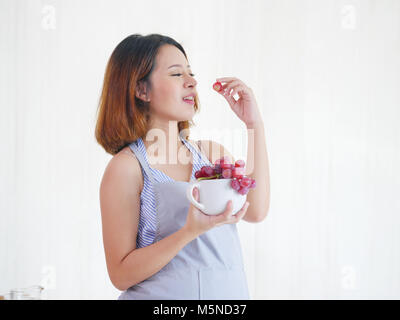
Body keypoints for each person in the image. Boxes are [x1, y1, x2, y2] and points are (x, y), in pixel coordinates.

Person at [95, 33, 270, 299]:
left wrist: (253, 124)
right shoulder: (127, 169)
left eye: (190, 73)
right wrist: (189, 232)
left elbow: (255, 211)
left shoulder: (211, 154)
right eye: (177, 74)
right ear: (141, 90)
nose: (192, 82)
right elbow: (120, 274)